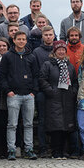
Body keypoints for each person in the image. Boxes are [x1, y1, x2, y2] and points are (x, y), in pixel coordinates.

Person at [0, 31, 38, 160]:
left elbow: (36, 75)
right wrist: (7, 90)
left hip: (28, 95)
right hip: (13, 95)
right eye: (19, 39)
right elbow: (2, 75)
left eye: (23, 39)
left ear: (26, 41)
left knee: (28, 124)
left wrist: (34, 91)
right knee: (12, 124)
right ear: (14, 40)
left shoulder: (31, 57)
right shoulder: (8, 56)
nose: (21, 41)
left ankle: (29, 149)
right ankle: (11, 149)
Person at [39, 40, 78, 159]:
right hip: (53, 98)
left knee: (66, 126)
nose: (61, 52)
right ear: (55, 51)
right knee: (55, 127)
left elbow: (75, 82)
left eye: (63, 50)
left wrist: (73, 92)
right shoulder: (48, 64)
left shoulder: (69, 65)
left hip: (67, 98)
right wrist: (50, 90)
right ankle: (56, 152)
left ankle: (64, 151)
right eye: (59, 50)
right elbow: (42, 79)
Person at [33, 25, 55, 157]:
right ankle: (42, 148)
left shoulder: (58, 49)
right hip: (41, 91)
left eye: (50, 34)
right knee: (41, 121)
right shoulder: (37, 52)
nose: (48, 37)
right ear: (42, 36)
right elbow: (35, 72)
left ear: (53, 35)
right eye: (46, 35)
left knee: (54, 120)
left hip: (56, 91)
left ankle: (55, 148)